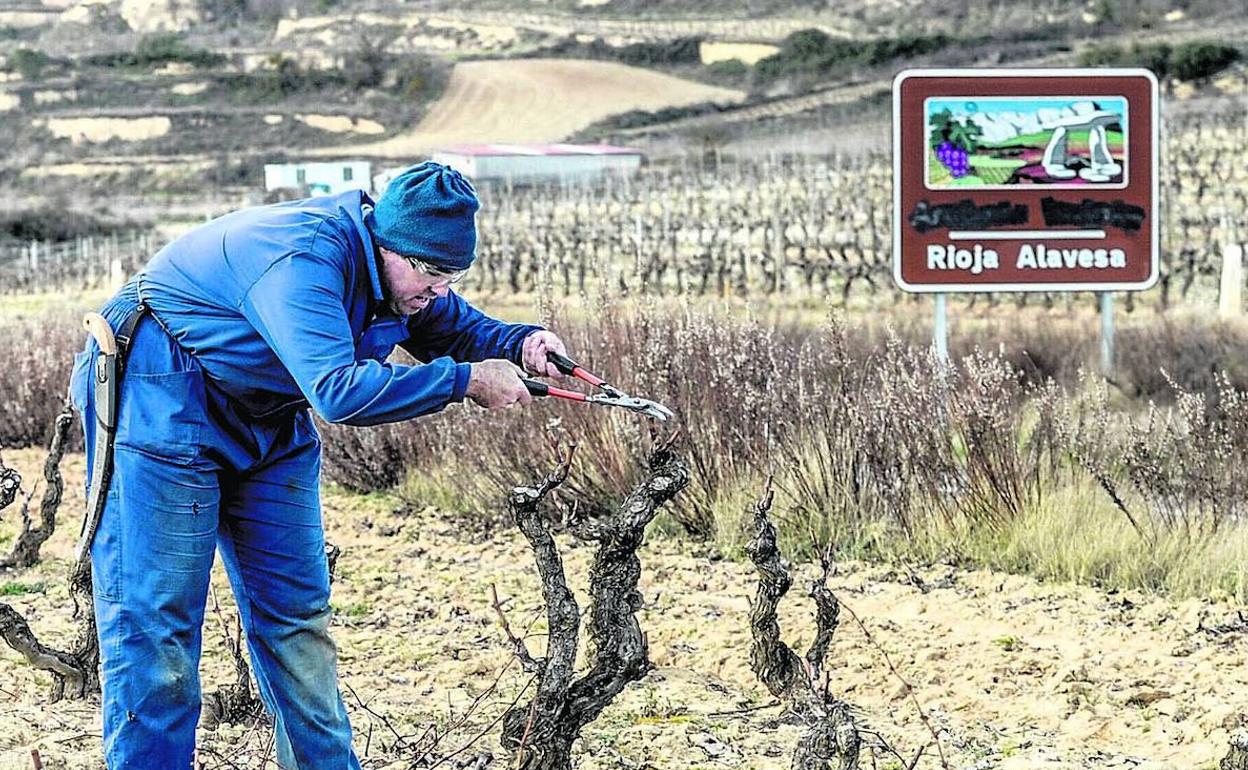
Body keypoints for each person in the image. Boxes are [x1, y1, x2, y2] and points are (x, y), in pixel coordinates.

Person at [69, 162, 569, 769]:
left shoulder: (403, 274)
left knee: (297, 618)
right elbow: (338, 392)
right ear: (386, 243)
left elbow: (452, 327)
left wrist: (518, 344)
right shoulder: (305, 259)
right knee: (159, 626)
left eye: (452, 277)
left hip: (267, 413)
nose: (438, 292)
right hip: (163, 390)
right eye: (432, 275)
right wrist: (464, 381)